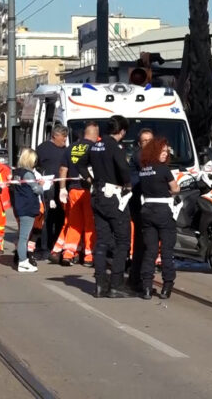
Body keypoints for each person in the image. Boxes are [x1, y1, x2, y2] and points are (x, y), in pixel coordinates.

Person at [77, 115, 134, 298]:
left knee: (101, 241)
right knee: (122, 241)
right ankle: (116, 284)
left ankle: (100, 284)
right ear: (123, 131)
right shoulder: (114, 146)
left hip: (98, 194)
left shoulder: (96, 145)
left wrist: (90, 180)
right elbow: (123, 168)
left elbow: (79, 163)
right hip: (114, 196)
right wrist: (128, 183)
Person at [138, 137, 180, 299]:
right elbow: (175, 188)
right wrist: (173, 191)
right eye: (162, 151)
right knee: (167, 251)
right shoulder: (164, 169)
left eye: (166, 151)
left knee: (150, 251)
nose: (165, 154)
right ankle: (167, 286)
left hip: (147, 211)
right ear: (155, 152)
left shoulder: (144, 170)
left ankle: (147, 287)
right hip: (163, 211)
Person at [56, 121, 99, 266]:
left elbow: (63, 169)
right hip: (88, 190)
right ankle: (88, 256)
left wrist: (62, 188)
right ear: (96, 134)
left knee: (74, 224)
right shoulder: (94, 148)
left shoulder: (70, 148)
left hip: (73, 190)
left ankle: (68, 254)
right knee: (89, 224)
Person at [35, 125, 69, 259]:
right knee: (47, 218)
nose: (65, 139)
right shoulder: (43, 148)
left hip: (61, 188)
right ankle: (44, 247)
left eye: (66, 136)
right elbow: (35, 165)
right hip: (47, 189)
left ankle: (56, 245)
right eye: (63, 136)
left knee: (60, 218)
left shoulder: (66, 150)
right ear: (55, 136)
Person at [127, 128, 153, 291]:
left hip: (147, 202)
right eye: (144, 141)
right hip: (139, 202)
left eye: (150, 140)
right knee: (142, 241)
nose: (148, 144)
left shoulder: (150, 156)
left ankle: (138, 276)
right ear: (139, 143)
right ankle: (137, 277)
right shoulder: (140, 156)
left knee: (145, 241)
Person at [12, 148, 44, 273]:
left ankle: (22, 261)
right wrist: (41, 185)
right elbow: (37, 190)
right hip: (28, 207)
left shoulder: (17, 172)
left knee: (22, 236)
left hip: (20, 206)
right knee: (24, 238)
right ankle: (23, 262)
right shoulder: (28, 174)